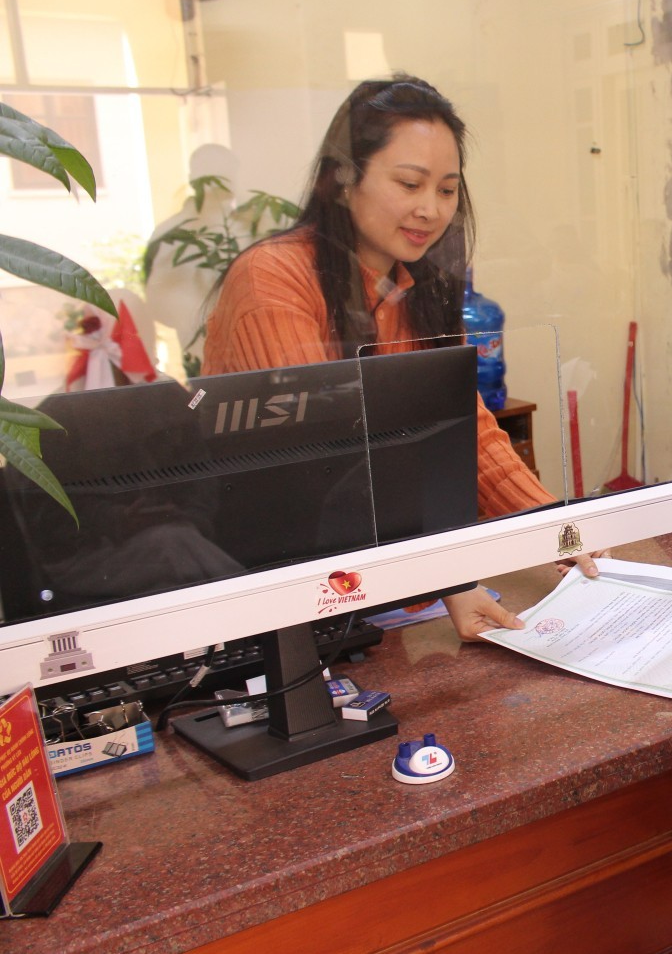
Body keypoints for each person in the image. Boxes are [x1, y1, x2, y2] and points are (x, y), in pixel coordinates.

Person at [202, 75, 592, 640]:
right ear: (343, 180)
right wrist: (445, 576)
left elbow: (467, 433)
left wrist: (557, 531)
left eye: (447, 190)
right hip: (276, 593)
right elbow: (324, 459)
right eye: (409, 183)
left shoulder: (414, 289)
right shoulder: (273, 278)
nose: (429, 209)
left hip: (378, 584)